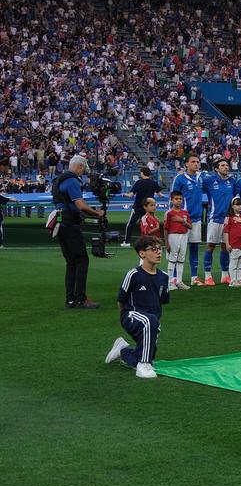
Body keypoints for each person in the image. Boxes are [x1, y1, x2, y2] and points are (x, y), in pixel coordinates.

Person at [103, 236, 170, 379]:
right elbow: (121, 300)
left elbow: (162, 301)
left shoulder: (164, 277)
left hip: (153, 322)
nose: (158, 252)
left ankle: (123, 350)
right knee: (149, 321)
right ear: (142, 254)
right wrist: (127, 317)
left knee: (145, 353)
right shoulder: (133, 274)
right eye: (153, 249)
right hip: (131, 315)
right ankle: (143, 365)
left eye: (160, 249)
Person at [53, 155, 104, 309]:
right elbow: (80, 205)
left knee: (71, 263)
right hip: (70, 224)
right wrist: (96, 212)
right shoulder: (73, 181)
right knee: (82, 260)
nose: (82, 173)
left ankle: (70, 299)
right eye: (83, 169)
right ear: (79, 167)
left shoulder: (59, 180)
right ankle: (81, 299)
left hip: (60, 222)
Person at [171, 155, 204, 285]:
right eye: (193, 162)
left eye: (197, 162)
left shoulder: (200, 179)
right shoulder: (180, 179)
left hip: (196, 219)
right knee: (178, 249)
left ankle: (194, 277)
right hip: (183, 219)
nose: (196, 164)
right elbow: (172, 197)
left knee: (194, 247)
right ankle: (174, 278)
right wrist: (174, 216)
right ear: (186, 164)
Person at [202, 159, 236, 286]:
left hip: (227, 219)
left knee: (225, 247)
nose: (226, 167)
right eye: (222, 165)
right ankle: (207, 276)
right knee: (210, 246)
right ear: (216, 168)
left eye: (227, 165)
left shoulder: (231, 181)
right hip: (215, 219)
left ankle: (225, 275)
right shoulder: (209, 181)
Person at [122, 166, 162, 245]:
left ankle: (126, 242)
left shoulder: (138, 182)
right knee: (149, 225)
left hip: (138, 207)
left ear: (142, 173)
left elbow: (130, 195)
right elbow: (160, 194)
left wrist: (124, 195)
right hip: (148, 208)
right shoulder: (153, 183)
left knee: (131, 224)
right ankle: (150, 241)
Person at [164, 191, 192, 290]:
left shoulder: (185, 213)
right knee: (172, 258)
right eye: (176, 199)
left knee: (181, 259)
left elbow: (190, 226)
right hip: (173, 236)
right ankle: (170, 282)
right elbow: (166, 229)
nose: (179, 201)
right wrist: (166, 242)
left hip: (184, 236)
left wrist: (182, 221)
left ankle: (179, 281)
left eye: (180, 199)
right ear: (171, 200)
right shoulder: (169, 213)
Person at [223, 197, 241, 287]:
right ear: (232, 206)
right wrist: (227, 244)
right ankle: (233, 280)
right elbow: (225, 231)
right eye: (237, 205)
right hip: (234, 244)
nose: (240, 207)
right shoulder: (229, 217)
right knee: (234, 262)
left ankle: (239, 279)